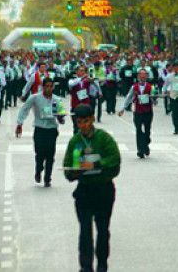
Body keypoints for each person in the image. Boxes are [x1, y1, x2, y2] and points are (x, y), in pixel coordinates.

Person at [63, 104, 121, 272]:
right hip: (84, 191)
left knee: (103, 230)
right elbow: (67, 166)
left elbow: (115, 159)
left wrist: (97, 164)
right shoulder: (75, 141)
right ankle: (85, 266)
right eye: (80, 122)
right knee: (85, 231)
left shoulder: (103, 138)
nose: (83, 125)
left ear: (92, 119)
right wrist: (74, 172)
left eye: (86, 121)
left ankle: (102, 264)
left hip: (103, 190)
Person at [16, 78, 65, 187]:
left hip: (52, 129)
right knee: (40, 153)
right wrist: (20, 123)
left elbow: (61, 117)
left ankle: (48, 178)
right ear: (43, 87)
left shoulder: (57, 100)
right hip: (39, 129)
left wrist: (61, 118)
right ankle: (38, 170)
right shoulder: (35, 97)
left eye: (50, 87)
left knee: (50, 155)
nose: (48, 89)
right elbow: (25, 109)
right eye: (46, 86)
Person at [119, 69, 157, 158]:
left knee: (147, 130)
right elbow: (129, 97)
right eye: (141, 75)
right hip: (138, 112)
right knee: (138, 130)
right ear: (138, 76)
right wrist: (122, 108)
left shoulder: (151, 87)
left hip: (148, 112)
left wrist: (153, 99)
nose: (143, 77)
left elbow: (154, 99)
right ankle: (140, 150)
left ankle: (146, 144)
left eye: (144, 75)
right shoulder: (134, 87)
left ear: (147, 76)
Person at [69, 66, 92, 134]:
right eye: (81, 71)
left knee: (86, 126)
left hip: (85, 106)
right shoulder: (72, 80)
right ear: (76, 72)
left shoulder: (87, 81)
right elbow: (72, 84)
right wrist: (81, 78)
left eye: (84, 71)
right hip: (75, 106)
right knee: (76, 126)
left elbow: (94, 82)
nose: (82, 72)